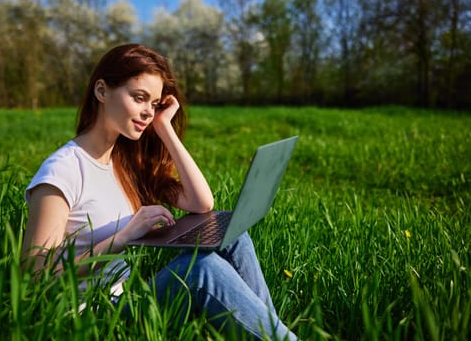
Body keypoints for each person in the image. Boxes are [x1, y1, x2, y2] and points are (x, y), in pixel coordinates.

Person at [21, 43, 297, 340]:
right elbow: (35, 275)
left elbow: (202, 203)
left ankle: (272, 332)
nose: (147, 113)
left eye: (154, 104)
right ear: (101, 91)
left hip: (130, 300)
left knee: (234, 238)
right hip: (93, 319)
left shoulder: (123, 162)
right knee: (202, 269)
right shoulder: (62, 171)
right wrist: (123, 238)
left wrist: (165, 128)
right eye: (139, 98)